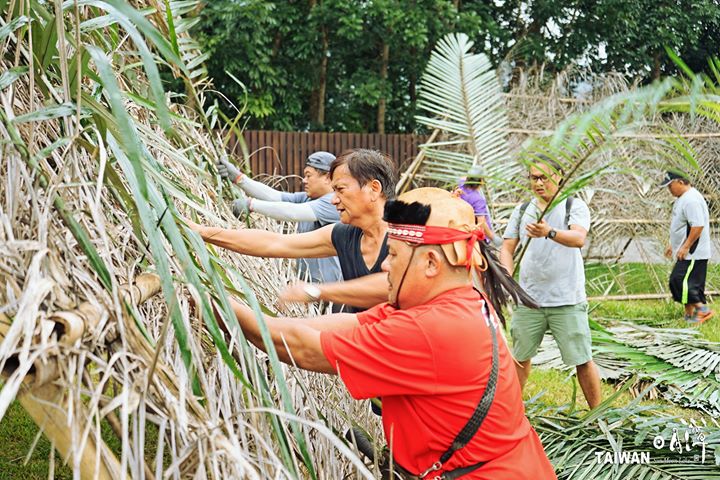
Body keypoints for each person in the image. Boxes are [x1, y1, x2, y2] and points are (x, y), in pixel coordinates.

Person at [218, 187, 556, 479]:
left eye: (393, 255)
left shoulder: (427, 330)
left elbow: (302, 349)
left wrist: (207, 297)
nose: (384, 265)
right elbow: (323, 328)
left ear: (431, 264)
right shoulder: (457, 302)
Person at [191, 149, 394, 312]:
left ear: (373, 189)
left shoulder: (409, 234)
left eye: (340, 190)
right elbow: (274, 242)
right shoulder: (343, 234)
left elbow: (391, 285)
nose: (334, 199)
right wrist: (201, 231)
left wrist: (317, 291)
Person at [500, 157, 602, 409]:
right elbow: (507, 246)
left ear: (559, 177)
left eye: (544, 177)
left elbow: (579, 238)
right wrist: (507, 275)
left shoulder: (573, 206)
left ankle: (597, 413)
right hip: (529, 299)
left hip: (567, 299)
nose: (538, 183)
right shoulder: (523, 210)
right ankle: (509, 412)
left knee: (582, 358)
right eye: (533, 177)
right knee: (520, 357)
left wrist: (549, 232)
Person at [216, 151, 342, 285]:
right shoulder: (308, 198)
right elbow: (274, 197)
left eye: (308, 176)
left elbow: (292, 212)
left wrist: (251, 204)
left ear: (327, 178)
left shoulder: (333, 203)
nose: (303, 180)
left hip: (333, 289)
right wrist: (239, 178)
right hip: (310, 286)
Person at [661, 170, 714, 323]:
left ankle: (703, 310)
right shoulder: (683, 199)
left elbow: (697, 226)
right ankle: (690, 317)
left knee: (678, 281)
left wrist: (685, 247)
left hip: (693, 252)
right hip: (686, 251)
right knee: (688, 283)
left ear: (681, 182)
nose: (669, 189)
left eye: (670, 185)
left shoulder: (691, 200)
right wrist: (674, 245)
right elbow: (682, 225)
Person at [452, 164, 496, 243]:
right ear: (481, 181)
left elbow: (462, 178)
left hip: (460, 226)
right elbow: (481, 224)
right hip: (475, 235)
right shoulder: (478, 200)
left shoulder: (461, 185)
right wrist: (493, 238)